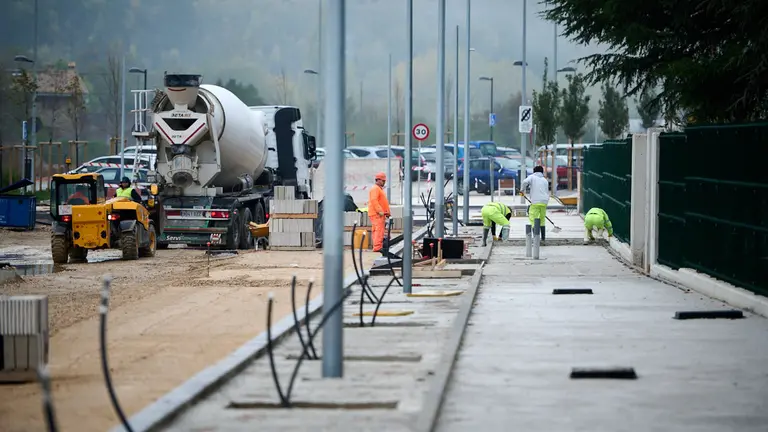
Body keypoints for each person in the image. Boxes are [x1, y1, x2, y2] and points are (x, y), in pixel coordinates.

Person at [521, 165, 550, 243]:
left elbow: (524, 182)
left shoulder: (532, 177)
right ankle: (543, 239)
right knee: (542, 220)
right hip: (544, 202)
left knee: (533, 219)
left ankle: (536, 239)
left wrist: (522, 190)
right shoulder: (545, 180)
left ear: (534, 171)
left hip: (535, 202)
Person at [367, 172, 390, 253]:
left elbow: (382, 202)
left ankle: (377, 246)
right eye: (383, 181)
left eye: (384, 181)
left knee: (377, 230)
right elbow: (374, 200)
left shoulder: (378, 189)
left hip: (379, 214)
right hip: (377, 214)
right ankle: (377, 247)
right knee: (379, 230)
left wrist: (387, 213)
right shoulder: (375, 189)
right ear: (378, 180)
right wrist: (380, 211)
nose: (384, 182)